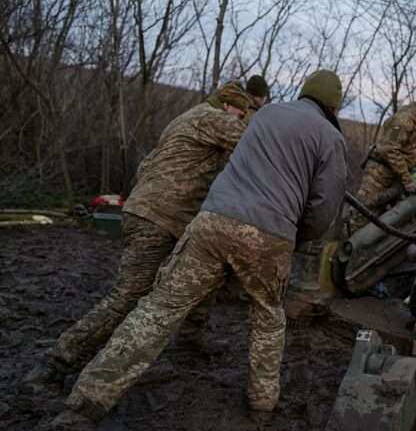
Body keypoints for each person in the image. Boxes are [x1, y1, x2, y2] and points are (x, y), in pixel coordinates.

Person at [42, 69, 348, 430]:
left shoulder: (265, 114)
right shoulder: (331, 137)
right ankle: (262, 406)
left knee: (159, 309)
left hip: (212, 220)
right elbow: (324, 208)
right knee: (267, 317)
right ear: (333, 106)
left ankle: (85, 403)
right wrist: (296, 235)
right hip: (270, 234)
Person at [24, 82, 253, 391]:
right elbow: (258, 142)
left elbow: (148, 164)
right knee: (128, 297)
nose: (240, 118)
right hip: (159, 218)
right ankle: (56, 362)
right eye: (240, 112)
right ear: (228, 106)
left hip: (152, 213)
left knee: (204, 277)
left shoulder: (187, 117)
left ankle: (189, 341)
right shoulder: (215, 118)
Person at [348, 86, 416, 232]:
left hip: (397, 175)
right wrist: (407, 178)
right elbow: (390, 149)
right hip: (380, 173)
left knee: (383, 218)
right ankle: (343, 242)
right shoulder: (405, 119)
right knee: (362, 212)